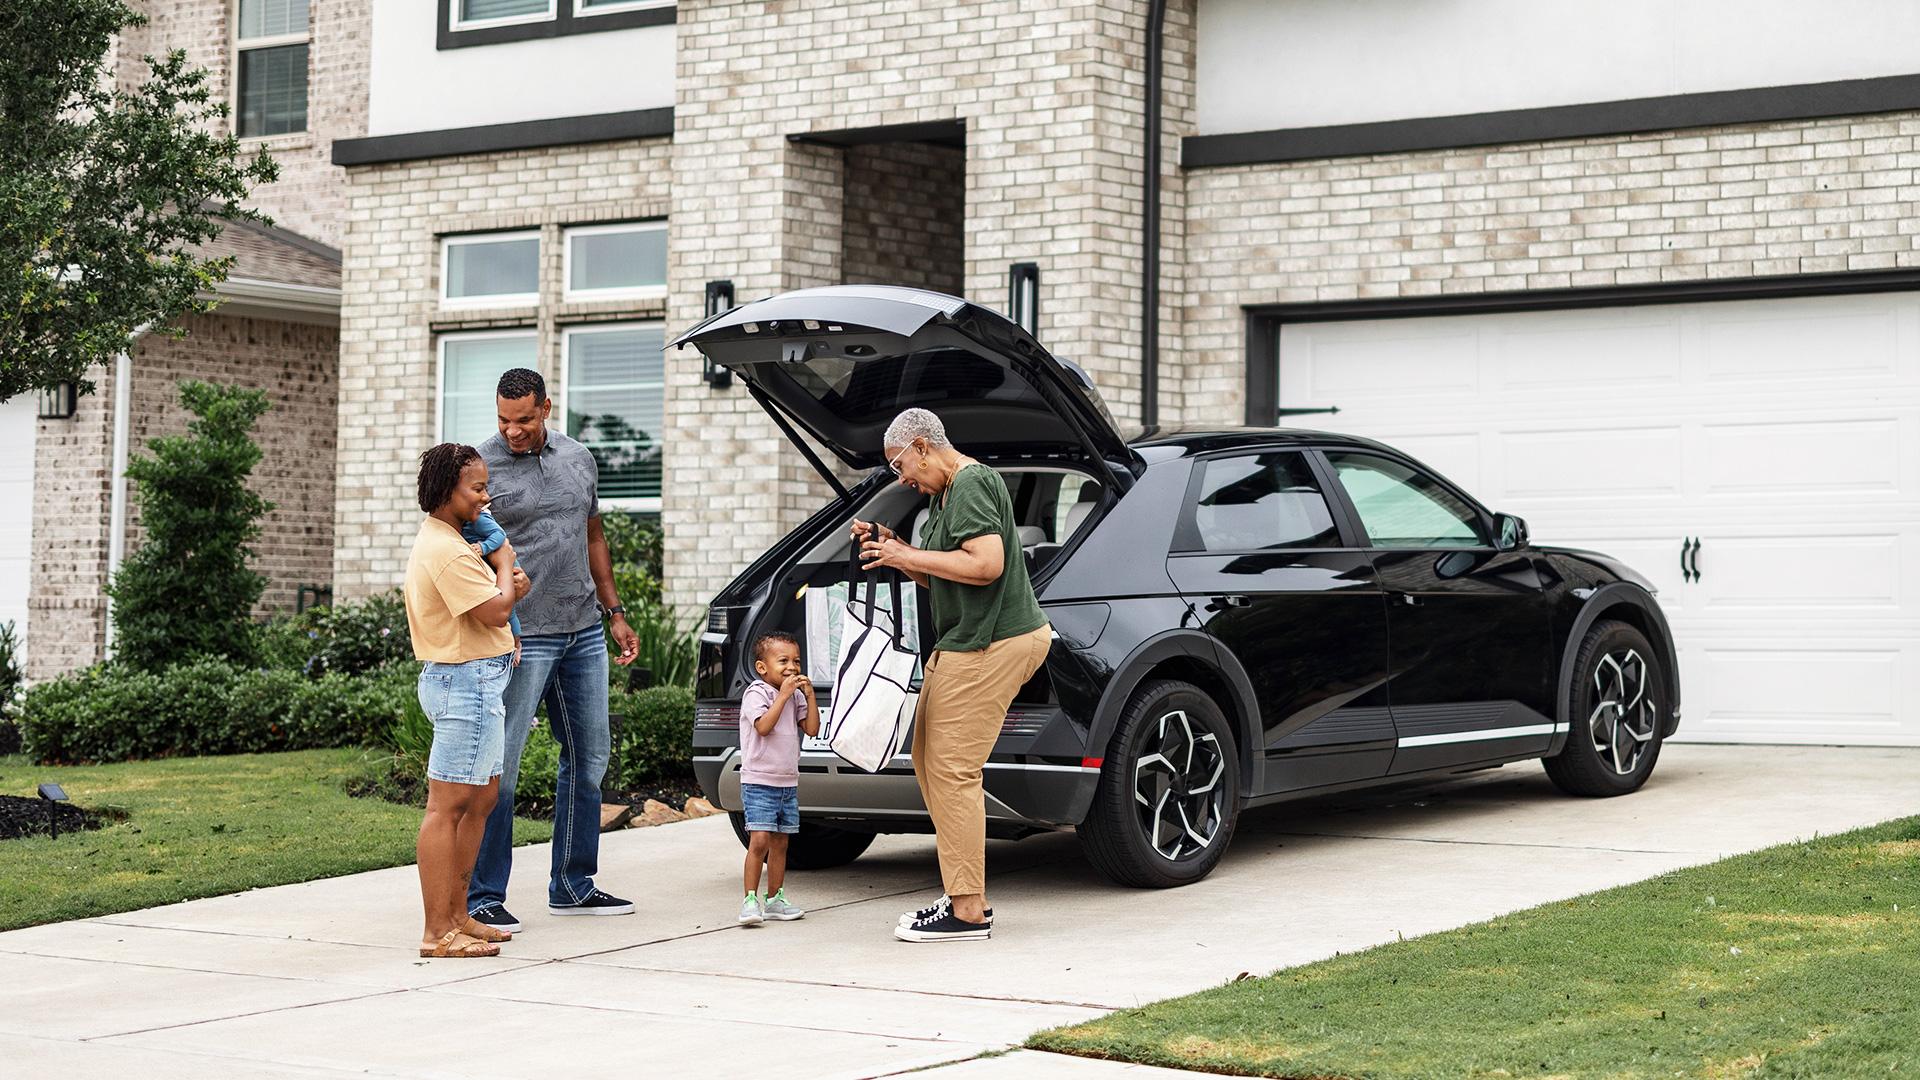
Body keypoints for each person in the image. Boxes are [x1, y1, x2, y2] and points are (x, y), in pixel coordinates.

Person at [852, 407, 1051, 943]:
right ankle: (965, 893)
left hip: (993, 640)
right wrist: (894, 553)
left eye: (901, 466)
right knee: (926, 758)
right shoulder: (943, 497)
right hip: (964, 640)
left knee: (953, 770)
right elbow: (947, 576)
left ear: (921, 446)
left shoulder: (972, 482)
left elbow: (987, 565)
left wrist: (910, 553)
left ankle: (966, 911)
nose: (903, 479)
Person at [466, 368, 642, 933]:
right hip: (520, 636)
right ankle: (484, 895)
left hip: (584, 629)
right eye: (503, 419)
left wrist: (614, 612)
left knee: (588, 760)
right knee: (503, 767)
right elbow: (464, 547)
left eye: (522, 419)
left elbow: (593, 535)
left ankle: (572, 883)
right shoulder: (478, 466)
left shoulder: (578, 458)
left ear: (545, 408)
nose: (512, 431)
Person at [404, 443, 530, 958]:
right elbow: (497, 611)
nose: (486, 496)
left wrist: (507, 585)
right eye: (476, 487)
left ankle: (460, 916)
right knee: (447, 807)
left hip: (479, 684)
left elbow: (500, 600)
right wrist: (504, 563)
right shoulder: (449, 549)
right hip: (465, 685)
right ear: (446, 490)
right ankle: (438, 932)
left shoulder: (455, 541)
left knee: (479, 802)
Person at [735, 630, 821, 926]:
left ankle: (775, 899)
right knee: (759, 840)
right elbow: (763, 727)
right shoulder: (756, 693)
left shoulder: (795, 695)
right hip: (759, 780)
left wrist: (809, 696)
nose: (792, 667)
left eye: (796, 661)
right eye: (783, 660)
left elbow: (811, 729)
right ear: (762, 667)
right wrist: (784, 695)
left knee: (781, 843)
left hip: (787, 782)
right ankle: (749, 900)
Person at [461, 507, 521, 662]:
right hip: (494, 567)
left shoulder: (477, 519)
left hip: (507, 568)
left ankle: (516, 645)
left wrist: (484, 546)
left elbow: (499, 534)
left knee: (509, 611)